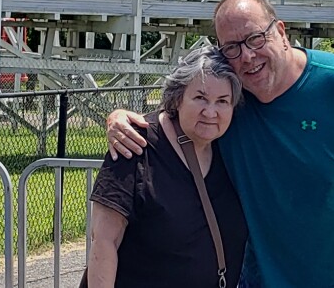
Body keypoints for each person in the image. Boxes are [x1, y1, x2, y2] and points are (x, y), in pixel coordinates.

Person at [107, 0, 334, 288]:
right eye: (232, 48)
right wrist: (120, 118)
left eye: (256, 38)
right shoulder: (227, 103)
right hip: (263, 280)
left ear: (281, 32)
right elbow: (179, 116)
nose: (247, 56)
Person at [86, 46, 249, 287]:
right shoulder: (135, 142)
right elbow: (103, 241)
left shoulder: (231, 147)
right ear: (178, 97)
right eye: (200, 97)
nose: (210, 112)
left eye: (222, 101)